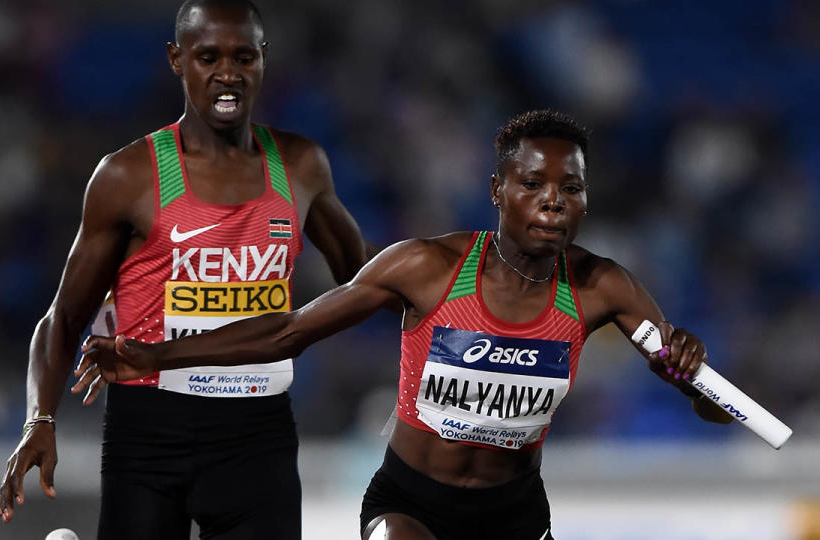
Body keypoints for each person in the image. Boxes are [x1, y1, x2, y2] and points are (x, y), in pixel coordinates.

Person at [75, 109, 733, 540]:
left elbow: (714, 409)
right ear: (499, 190)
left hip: (514, 515)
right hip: (412, 505)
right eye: (534, 183)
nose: (555, 200)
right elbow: (286, 331)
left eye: (573, 188)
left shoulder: (603, 287)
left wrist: (693, 374)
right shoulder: (427, 268)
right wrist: (158, 357)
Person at [0, 1, 379, 538]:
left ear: (263, 59)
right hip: (151, 431)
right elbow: (61, 319)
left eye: (244, 57)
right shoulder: (129, 176)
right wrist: (40, 418)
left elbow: (366, 280)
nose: (228, 73)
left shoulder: (299, 165)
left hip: (258, 431)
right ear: (177, 60)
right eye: (207, 57)